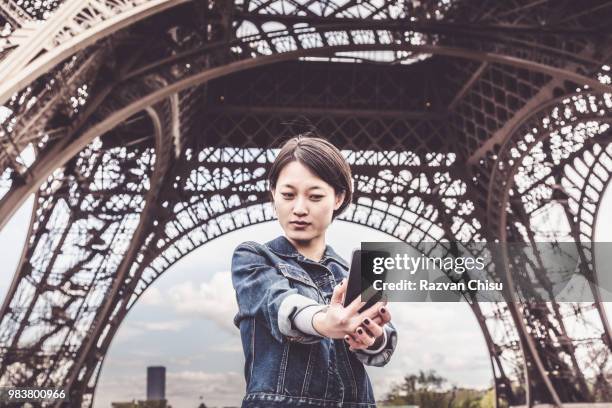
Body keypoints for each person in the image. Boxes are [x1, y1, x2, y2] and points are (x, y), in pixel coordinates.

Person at [231, 135, 398, 407]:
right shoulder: (252, 258)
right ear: (273, 193)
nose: (299, 208)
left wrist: (374, 338)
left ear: (338, 197)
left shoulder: (355, 270)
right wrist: (325, 321)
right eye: (287, 195)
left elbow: (382, 347)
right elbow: (282, 305)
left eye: (315, 196)